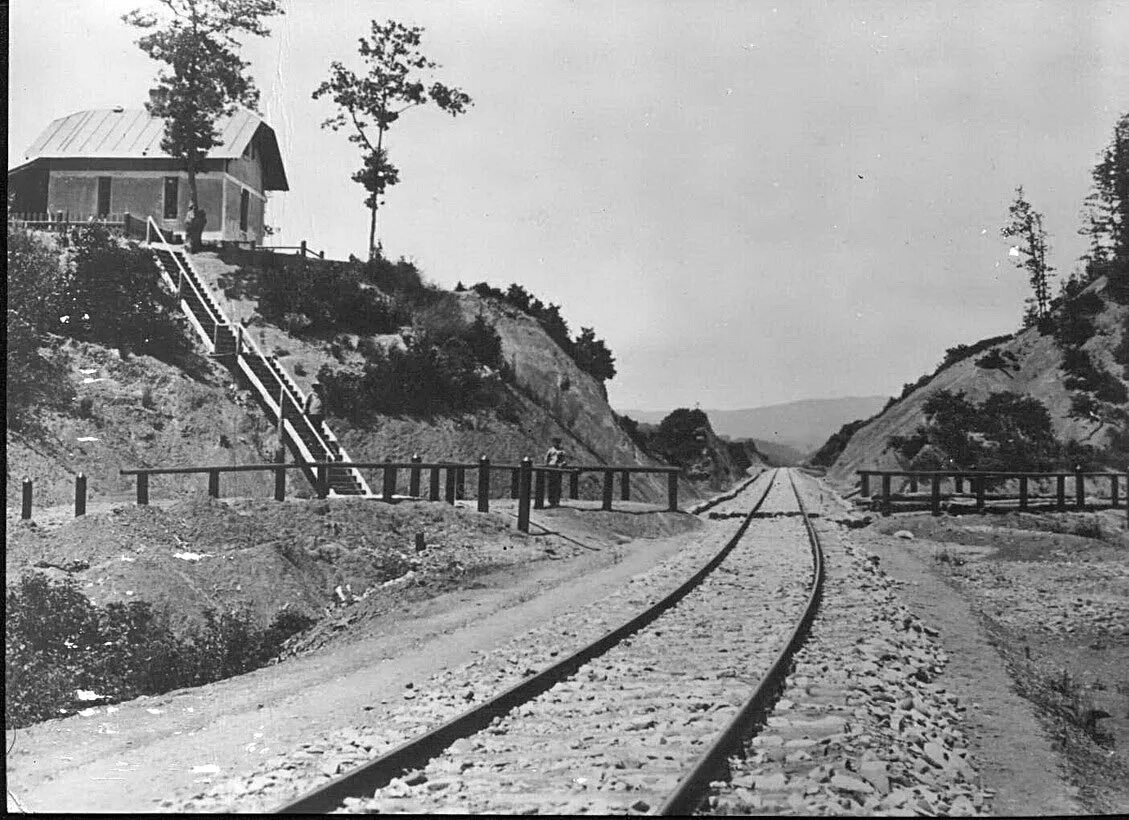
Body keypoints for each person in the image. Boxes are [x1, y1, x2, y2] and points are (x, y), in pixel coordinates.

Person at [545, 437, 568, 507]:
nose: (556, 443)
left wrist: (563, 464)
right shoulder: (550, 450)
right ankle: (551, 501)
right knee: (551, 485)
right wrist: (547, 466)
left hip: (558, 469)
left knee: (558, 485)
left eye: (558, 442)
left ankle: (557, 500)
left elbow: (564, 460)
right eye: (555, 441)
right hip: (551, 468)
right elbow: (546, 459)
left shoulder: (562, 451)